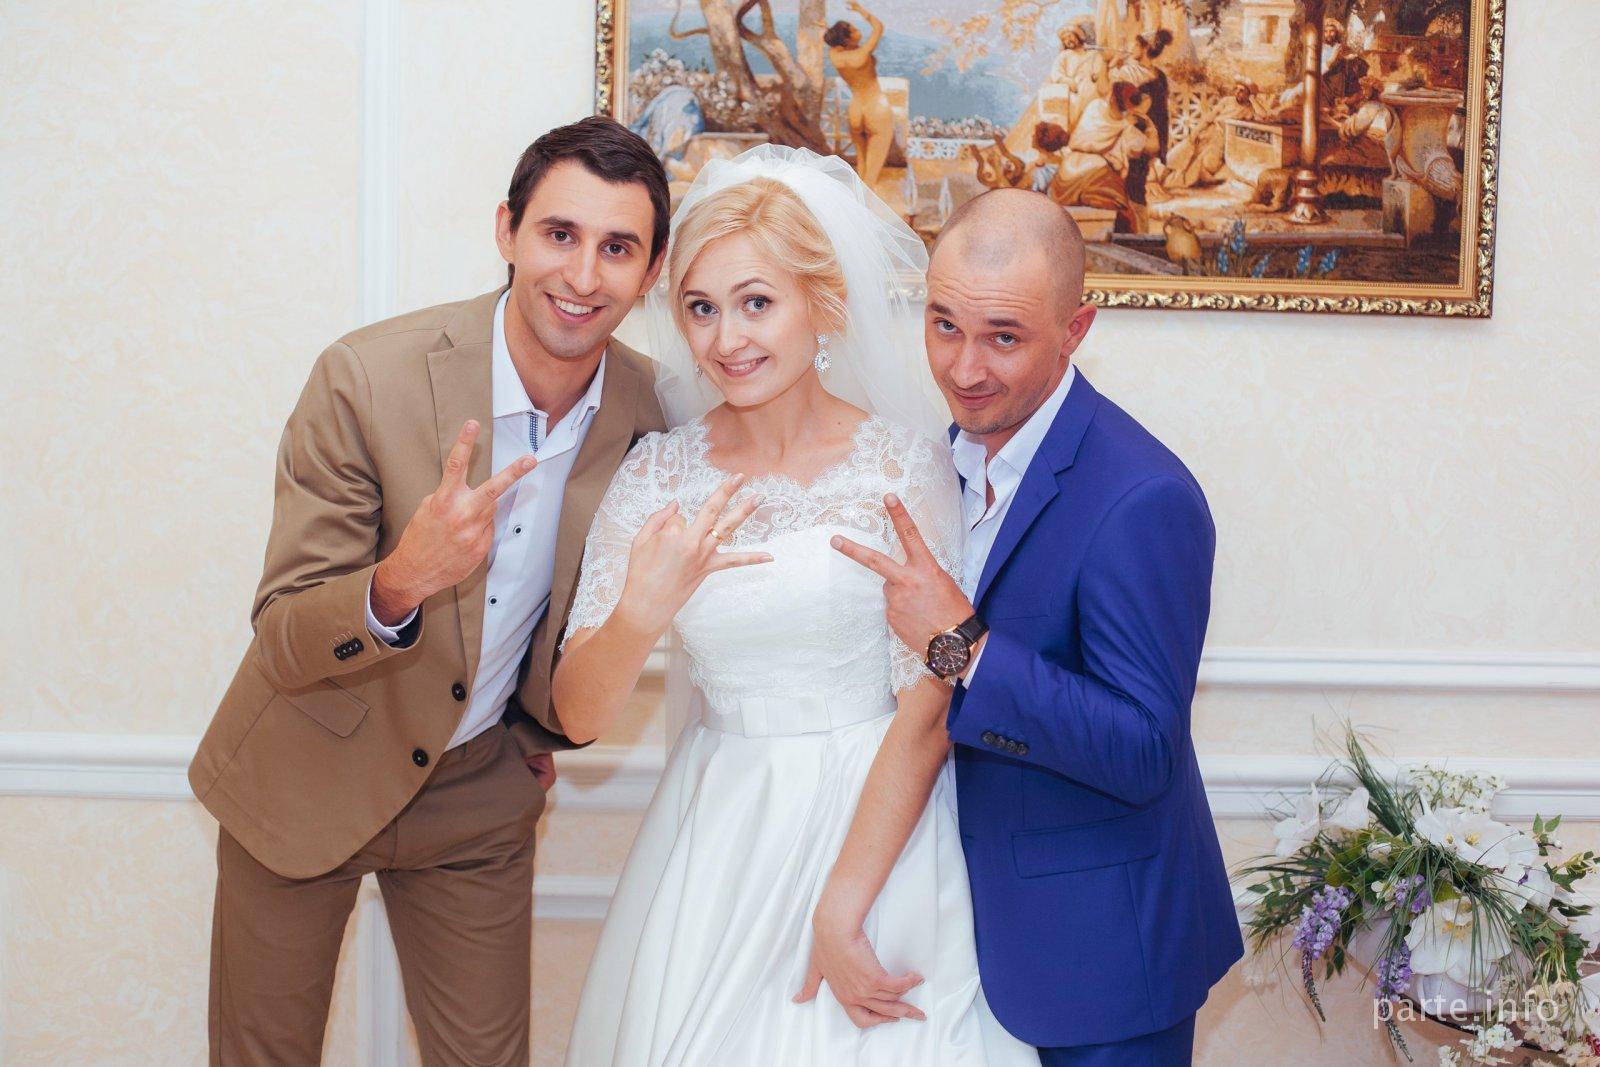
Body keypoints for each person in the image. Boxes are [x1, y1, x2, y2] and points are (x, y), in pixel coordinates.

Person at [187, 116, 670, 1065]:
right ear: (507, 230)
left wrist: (529, 734)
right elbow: (285, 631)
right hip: (305, 768)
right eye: (560, 234)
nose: (583, 275)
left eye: (618, 248)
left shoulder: (652, 411)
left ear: (651, 272)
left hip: (476, 795)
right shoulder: (365, 377)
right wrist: (404, 578)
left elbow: (585, 608)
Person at [556, 145, 1037, 1066]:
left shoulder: (903, 466)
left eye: (756, 302)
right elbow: (578, 715)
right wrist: (639, 614)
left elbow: (929, 702)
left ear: (822, 304)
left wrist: (841, 904)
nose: (725, 339)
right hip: (722, 832)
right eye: (700, 308)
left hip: (879, 825)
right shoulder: (656, 475)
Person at [833, 188, 1242, 1064]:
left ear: (1075, 330)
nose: (964, 367)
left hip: (1100, 961)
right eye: (944, 325)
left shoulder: (1143, 496)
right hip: (957, 935)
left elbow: (1143, 749)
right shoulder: (932, 464)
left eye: (1004, 338)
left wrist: (961, 646)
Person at [1044, 82, 1160, 232]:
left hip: (1065, 178)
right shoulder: (1129, 129)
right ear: (1131, 107)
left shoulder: (1095, 107)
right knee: (1126, 217)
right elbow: (1153, 147)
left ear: (1111, 97)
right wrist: (1151, 128)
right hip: (1096, 177)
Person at [825, 0, 896, 190]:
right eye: (854, 30)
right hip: (876, 108)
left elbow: (832, 42)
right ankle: (865, 206)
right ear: (847, 39)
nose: (858, 31)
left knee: (861, 166)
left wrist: (827, 29)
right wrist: (860, 10)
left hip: (856, 110)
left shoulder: (836, 57)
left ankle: (855, 202)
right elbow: (878, 27)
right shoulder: (862, 54)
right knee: (871, 176)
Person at [1048, 20, 1110, 134]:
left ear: (1077, 36)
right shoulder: (1064, 56)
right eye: (1064, 39)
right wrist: (1068, 81)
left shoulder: (1092, 53)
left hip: (1092, 87)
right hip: (1073, 89)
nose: (1068, 40)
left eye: (1070, 36)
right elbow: (1056, 73)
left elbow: (1098, 70)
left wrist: (1097, 74)